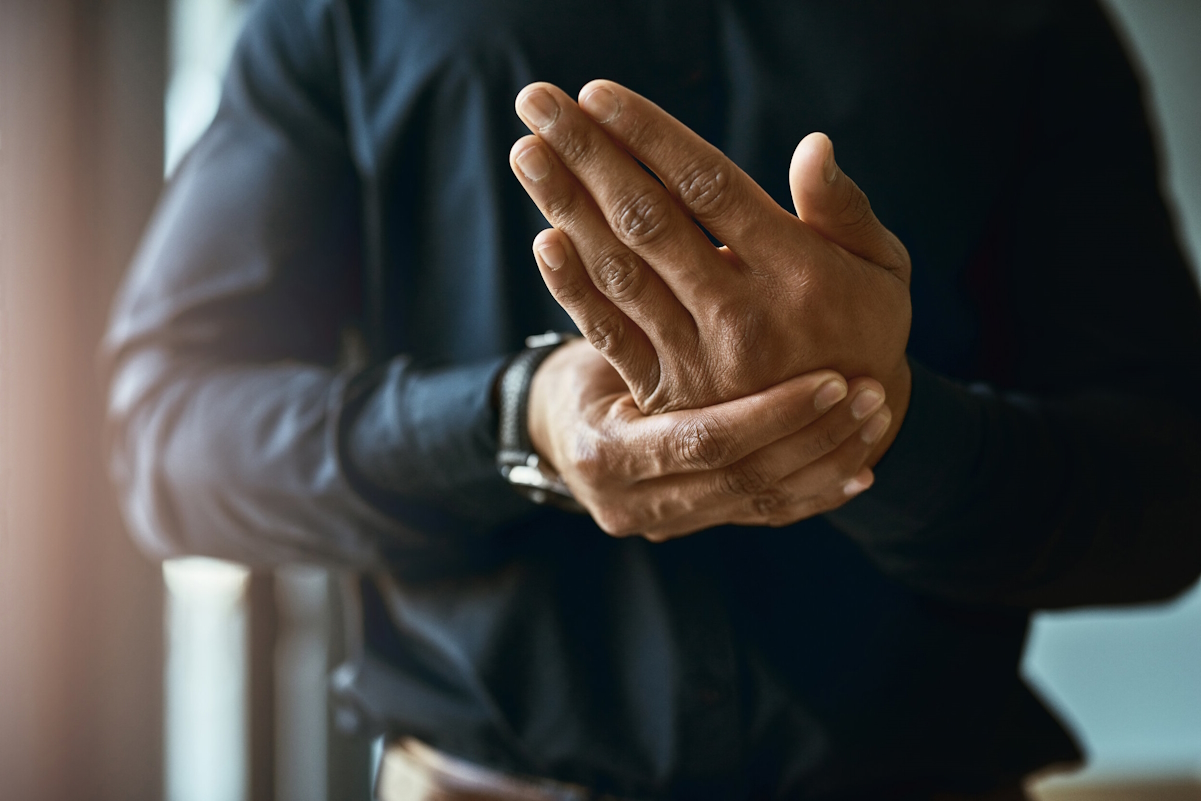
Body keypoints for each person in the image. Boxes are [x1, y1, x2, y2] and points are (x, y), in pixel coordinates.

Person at [102, 1, 1201, 799]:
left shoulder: (1030, 24)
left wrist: (879, 422)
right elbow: (168, 441)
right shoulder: (341, 13)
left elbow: (1167, 498)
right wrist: (513, 421)